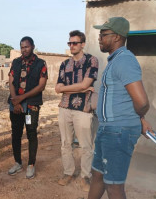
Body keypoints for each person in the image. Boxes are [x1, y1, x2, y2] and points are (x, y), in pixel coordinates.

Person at [88, 17, 152, 199]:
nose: (99, 38)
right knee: (98, 175)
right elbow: (126, 99)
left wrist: (139, 117)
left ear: (116, 37)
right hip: (108, 129)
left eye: (103, 34)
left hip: (118, 132)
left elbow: (142, 102)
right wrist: (140, 119)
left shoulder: (125, 60)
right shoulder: (115, 61)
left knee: (113, 186)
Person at [55, 30, 99, 191]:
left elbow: (84, 84)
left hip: (83, 109)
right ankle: (68, 173)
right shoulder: (64, 64)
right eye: (69, 43)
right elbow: (57, 89)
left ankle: (85, 177)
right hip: (65, 108)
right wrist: (82, 88)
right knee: (65, 144)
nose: (71, 46)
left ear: (82, 44)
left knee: (86, 145)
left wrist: (69, 88)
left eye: (75, 43)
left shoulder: (91, 61)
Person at [8, 36, 47, 179]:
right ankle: (18, 163)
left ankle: (31, 164)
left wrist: (22, 98)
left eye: (27, 47)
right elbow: (11, 82)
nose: (24, 49)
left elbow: (41, 86)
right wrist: (15, 102)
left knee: (31, 133)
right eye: (22, 47)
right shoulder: (16, 62)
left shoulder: (40, 63)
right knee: (16, 134)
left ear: (33, 47)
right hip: (15, 105)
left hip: (31, 106)